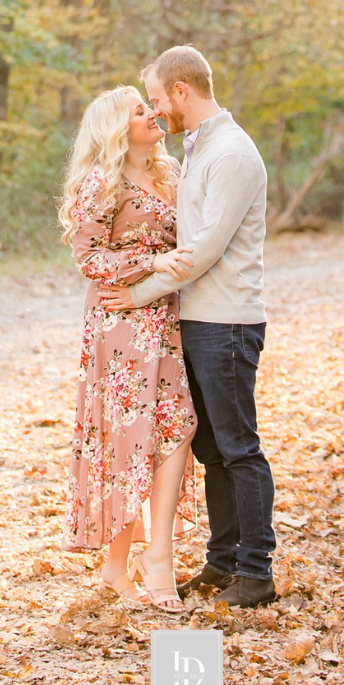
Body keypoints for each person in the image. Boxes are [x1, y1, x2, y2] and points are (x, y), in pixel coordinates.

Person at [98, 47, 276, 608]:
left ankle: (256, 570)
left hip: (226, 322)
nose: (155, 113)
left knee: (239, 447)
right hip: (198, 320)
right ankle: (223, 561)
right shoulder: (199, 149)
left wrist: (135, 292)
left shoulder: (231, 154)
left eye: (156, 100)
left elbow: (200, 252)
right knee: (212, 451)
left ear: (180, 92)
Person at [58, 85, 197, 611]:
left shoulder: (170, 174)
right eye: (141, 111)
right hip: (119, 326)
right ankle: (118, 569)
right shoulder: (103, 182)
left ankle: (152, 556)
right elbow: (87, 258)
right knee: (128, 441)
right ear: (119, 128)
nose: (153, 114)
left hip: (163, 319)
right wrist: (150, 264)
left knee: (176, 427)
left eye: (150, 106)